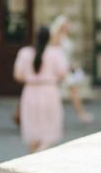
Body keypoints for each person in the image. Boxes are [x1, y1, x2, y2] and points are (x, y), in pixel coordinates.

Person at [13, 26, 69, 154]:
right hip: (49, 91)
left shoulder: (24, 53)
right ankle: (41, 152)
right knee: (49, 130)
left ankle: (33, 159)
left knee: (32, 130)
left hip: (30, 92)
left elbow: (18, 75)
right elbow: (63, 73)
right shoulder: (55, 53)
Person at [50, 15, 93, 123]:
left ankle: (81, 114)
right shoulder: (56, 36)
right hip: (60, 69)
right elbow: (54, 54)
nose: (69, 26)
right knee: (69, 91)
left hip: (66, 67)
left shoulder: (66, 36)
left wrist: (72, 65)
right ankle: (81, 115)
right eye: (67, 24)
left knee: (72, 90)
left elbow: (67, 54)